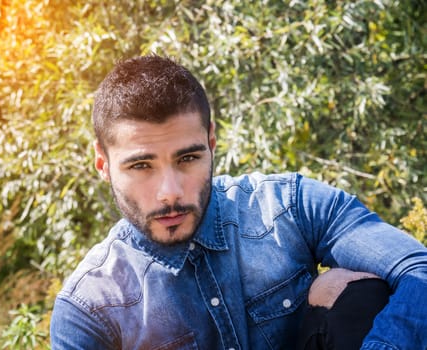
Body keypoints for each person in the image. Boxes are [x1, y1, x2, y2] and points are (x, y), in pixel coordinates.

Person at [50, 55, 427, 349]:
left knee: (352, 290)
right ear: (103, 164)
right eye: (141, 166)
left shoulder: (287, 206)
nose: (170, 192)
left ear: (212, 142)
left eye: (188, 159)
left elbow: (418, 270)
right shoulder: (89, 308)